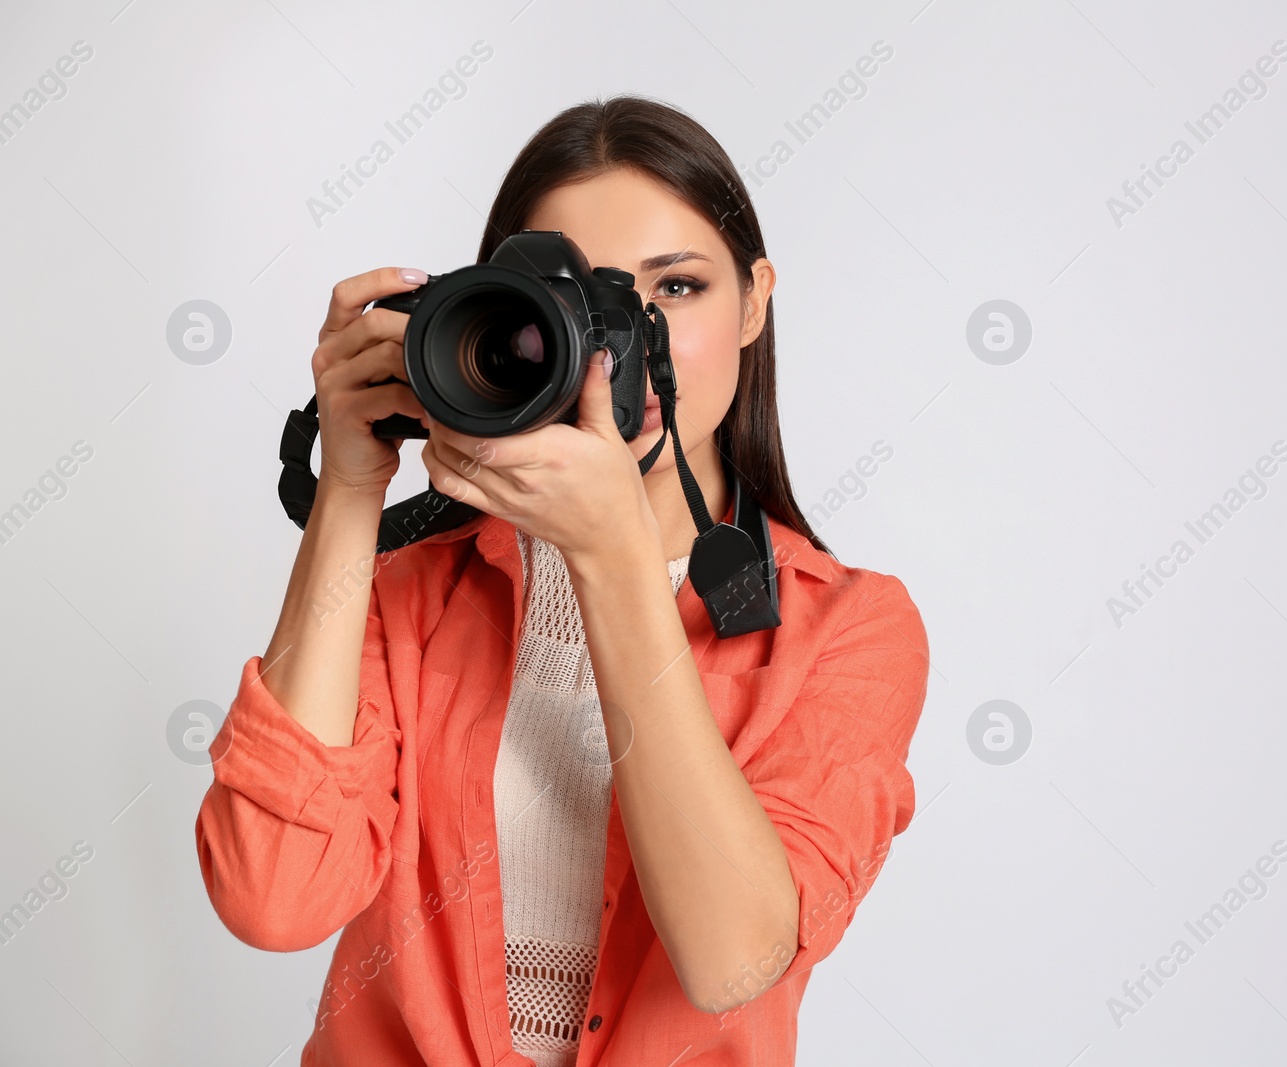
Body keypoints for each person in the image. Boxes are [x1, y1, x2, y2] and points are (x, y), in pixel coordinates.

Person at [194, 94, 930, 1067]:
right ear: (499, 316)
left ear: (754, 299)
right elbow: (274, 897)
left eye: (675, 289)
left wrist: (614, 557)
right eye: (582, 305)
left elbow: (732, 958)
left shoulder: (847, 626)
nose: (624, 345)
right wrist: (350, 490)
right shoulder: (411, 595)